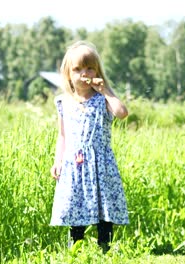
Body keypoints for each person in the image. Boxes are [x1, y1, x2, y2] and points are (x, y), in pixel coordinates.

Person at [49, 40, 129, 253]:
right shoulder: (64, 102)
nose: (84, 73)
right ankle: (75, 250)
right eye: (78, 69)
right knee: (76, 206)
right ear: (68, 74)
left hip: (100, 162)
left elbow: (122, 113)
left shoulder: (103, 99)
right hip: (74, 164)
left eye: (89, 68)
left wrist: (107, 91)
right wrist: (58, 161)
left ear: (97, 71)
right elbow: (63, 135)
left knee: (105, 207)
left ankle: (106, 248)